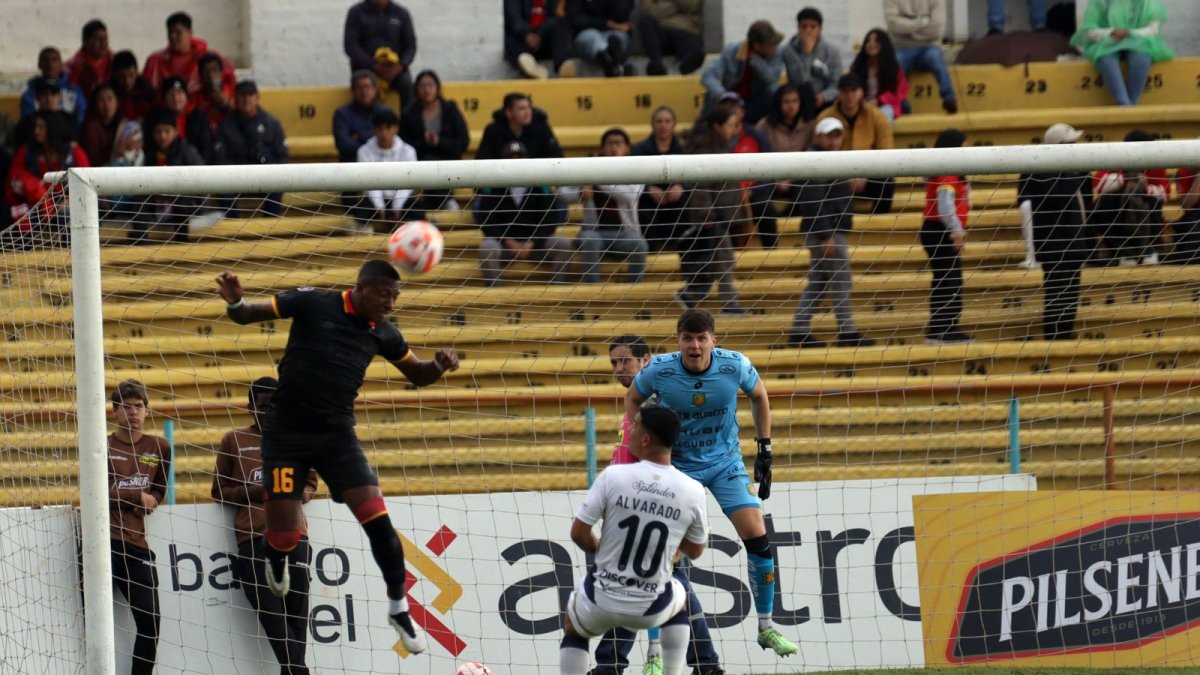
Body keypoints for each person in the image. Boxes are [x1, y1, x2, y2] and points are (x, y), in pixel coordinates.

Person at [215, 260, 462, 656]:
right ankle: (275, 558)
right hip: (285, 438)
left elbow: (417, 374)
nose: (391, 303)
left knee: (379, 522)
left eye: (397, 297)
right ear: (362, 288)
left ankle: (399, 607)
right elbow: (247, 315)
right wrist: (235, 301)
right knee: (283, 532)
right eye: (385, 294)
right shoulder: (314, 303)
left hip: (336, 438)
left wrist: (438, 365)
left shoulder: (385, 333)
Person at [626, 310, 799, 658]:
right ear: (678, 341)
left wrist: (764, 448)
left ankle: (766, 627)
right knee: (664, 551)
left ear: (713, 341)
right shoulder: (660, 369)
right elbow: (632, 398)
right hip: (678, 465)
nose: (695, 345)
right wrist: (645, 440)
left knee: (758, 536)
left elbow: (759, 395)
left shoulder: (733, 365)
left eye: (701, 338)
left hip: (725, 463)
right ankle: (655, 652)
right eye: (688, 338)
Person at [590, 336, 724, 675]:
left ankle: (613, 666)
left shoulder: (656, 406)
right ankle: (705, 665)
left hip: (648, 507)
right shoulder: (636, 405)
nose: (619, 369)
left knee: (645, 585)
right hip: (630, 506)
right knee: (653, 586)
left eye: (625, 361)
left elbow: (668, 459)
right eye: (614, 363)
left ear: (645, 361)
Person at [560, 404, 708, 675]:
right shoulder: (692, 490)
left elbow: (578, 533)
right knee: (679, 602)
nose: (629, 430)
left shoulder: (614, 476)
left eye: (635, 425)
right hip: (652, 605)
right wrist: (672, 551)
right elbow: (696, 550)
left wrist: (600, 550)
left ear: (646, 439)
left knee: (573, 627)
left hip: (602, 598)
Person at [212, 377, 318, 675]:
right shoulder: (233, 440)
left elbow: (310, 483)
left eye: (274, 407)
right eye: (262, 407)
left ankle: (294, 670)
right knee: (271, 613)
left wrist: (299, 494)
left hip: (295, 535)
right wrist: (254, 492)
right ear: (250, 407)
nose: (269, 413)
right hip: (253, 537)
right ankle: (298, 670)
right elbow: (218, 491)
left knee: (297, 612)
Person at [785, 117, 874, 349]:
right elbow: (812, 200)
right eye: (829, 136)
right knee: (840, 280)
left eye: (837, 135)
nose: (834, 140)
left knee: (820, 282)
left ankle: (799, 331)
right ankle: (847, 332)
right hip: (827, 231)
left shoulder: (828, 160)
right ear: (818, 137)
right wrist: (826, 234)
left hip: (826, 230)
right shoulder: (816, 161)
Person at [104, 379, 169, 675]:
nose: (133, 412)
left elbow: (159, 489)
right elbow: (96, 494)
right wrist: (134, 496)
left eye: (138, 407)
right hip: (102, 545)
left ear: (146, 411)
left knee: (151, 620)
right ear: (115, 411)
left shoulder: (159, 447)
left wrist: (152, 499)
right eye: (126, 407)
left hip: (136, 545)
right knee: (92, 621)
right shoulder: (102, 445)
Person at [1019, 123, 1093, 339]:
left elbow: (1086, 202)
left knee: (1071, 293)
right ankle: (1055, 335)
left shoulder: (1076, 171)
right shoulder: (1040, 169)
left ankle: (1066, 333)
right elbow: (1059, 195)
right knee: (1057, 293)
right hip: (1054, 243)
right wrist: (1075, 172)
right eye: (1071, 144)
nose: (1076, 148)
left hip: (1074, 241)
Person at [474, 141, 574, 286]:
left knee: (563, 243)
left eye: (519, 158)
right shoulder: (493, 188)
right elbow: (487, 222)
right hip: (504, 246)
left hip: (537, 246)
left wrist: (532, 243)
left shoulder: (541, 187)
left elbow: (550, 222)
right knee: (487, 248)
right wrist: (508, 242)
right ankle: (494, 294)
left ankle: (559, 293)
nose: (516, 162)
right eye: (511, 158)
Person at [677, 107, 744, 314]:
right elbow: (701, 187)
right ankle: (730, 305)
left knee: (716, 262)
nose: (734, 130)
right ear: (717, 126)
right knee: (725, 261)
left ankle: (690, 294)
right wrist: (707, 215)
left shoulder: (719, 146)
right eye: (730, 125)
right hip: (713, 217)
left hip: (720, 216)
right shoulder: (706, 149)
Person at [571, 128, 648, 284]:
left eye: (618, 143)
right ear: (602, 148)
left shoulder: (636, 170)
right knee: (589, 240)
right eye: (610, 143)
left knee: (640, 244)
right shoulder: (588, 170)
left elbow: (630, 195)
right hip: (594, 232)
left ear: (627, 147)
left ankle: (633, 290)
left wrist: (598, 179)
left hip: (623, 234)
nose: (614, 147)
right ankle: (591, 290)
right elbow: (561, 194)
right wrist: (580, 193)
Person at [5, 111, 88, 248]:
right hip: (36, 208)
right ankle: (27, 260)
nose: (36, 131)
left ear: (53, 129)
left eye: (41, 127)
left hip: (66, 209)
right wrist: (40, 196)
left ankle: (70, 258)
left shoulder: (75, 154)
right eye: (35, 127)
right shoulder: (27, 152)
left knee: (70, 213)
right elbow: (13, 181)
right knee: (20, 214)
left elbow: (88, 185)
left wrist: (73, 199)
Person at [815, 74, 896, 214]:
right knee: (816, 185)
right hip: (835, 175)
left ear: (861, 92)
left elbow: (886, 151)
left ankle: (880, 224)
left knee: (887, 182)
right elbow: (817, 151)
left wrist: (863, 173)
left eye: (853, 90)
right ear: (839, 92)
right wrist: (845, 175)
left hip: (867, 175)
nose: (849, 95)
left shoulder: (877, 116)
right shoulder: (825, 116)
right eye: (845, 91)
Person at [921, 128, 973, 344]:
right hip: (939, 231)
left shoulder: (948, 171)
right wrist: (956, 229)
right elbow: (944, 206)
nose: (967, 149)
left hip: (937, 230)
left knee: (948, 279)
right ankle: (942, 329)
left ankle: (944, 326)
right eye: (963, 145)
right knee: (948, 280)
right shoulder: (947, 173)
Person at [1070, 0, 1172, 107]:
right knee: (1105, 59)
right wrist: (1111, 32)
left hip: (1138, 41)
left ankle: (1131, 104)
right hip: (1107, 41)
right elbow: (1090, 30)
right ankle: (1124, 103)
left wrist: (1130, 33)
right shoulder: (1099, 2)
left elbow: (1153, 30)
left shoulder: (1148, 3)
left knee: (1141, 59)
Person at [1092, 129, 1169, 266]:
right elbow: (1099, 184)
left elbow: (1165, 194)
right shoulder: (1115, 159)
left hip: (1145, 216)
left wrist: (1144, 188)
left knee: (1152, 201)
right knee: (1106, 201)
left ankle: (1148, 250)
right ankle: (1121, 250)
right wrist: (1127, 180)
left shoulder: (1155, 163)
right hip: (1118, 214)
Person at [213, 80, 289, 217]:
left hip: (264, 177)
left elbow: (283, 156)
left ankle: (269, 229)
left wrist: (267, 161)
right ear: (235, 98)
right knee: (222, 187)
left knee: (278, 184)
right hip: (235, 178)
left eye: (250, 94)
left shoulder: (271, 123)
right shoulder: (226, 125)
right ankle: (233, 231)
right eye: (242, 95)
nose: (246, 99)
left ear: (257, 98)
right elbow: (219, 158)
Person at [400, 69, 470, 212]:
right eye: (422, 86)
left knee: (436, 165)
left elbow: (463, 141)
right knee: (429, 163)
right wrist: (424, 142)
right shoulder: (409, 113)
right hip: (421, 159)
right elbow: (404, 145)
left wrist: (439, 141)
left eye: (430, 85)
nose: (427, 90)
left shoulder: (450, 109)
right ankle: (447, 200)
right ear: (416, 89)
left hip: (449, 158)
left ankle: (441, 204)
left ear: (437, 87)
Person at [132, 110, 205, 245]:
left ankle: (181, 244)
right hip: (158, 203)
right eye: (158, 132)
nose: (162, 136)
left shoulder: (187, 151)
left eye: (167, 131)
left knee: (183, 200)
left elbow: (202, 181)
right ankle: (141, 245)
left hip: (183, 205)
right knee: (138, 200)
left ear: (176, 132)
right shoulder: (150, 153)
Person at [700, 20, 785, 125]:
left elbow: (772, 78)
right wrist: (725, 96)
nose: (774, 47)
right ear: (757, 45)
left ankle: (770, 128)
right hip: (730, 105)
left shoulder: (776, 53)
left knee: (774, 90)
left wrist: (754, 59)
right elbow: (708, 76)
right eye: (770, 45)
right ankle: (706, 127)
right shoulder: (731, 51)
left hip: (754, 103)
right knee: (712, 95)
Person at [630, 106, 689, 253]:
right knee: (643, 208)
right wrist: (647, 188)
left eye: (667, 121)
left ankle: (683, 251)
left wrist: (681, 186)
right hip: (649, 200)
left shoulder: (685, 148)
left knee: (688, 202)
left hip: (676, 199)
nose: (663, 125)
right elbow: (632, 176)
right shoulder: (639, 149)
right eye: (659, 121)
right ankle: (650, 252)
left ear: (674, 124)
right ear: (652, 124)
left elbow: (694, 174)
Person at [884, 0, 958, 114]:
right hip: (902, 48)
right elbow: (894, 26)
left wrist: (908, 29)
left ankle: (949, 98)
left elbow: (936, 30)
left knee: (934, 58)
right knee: (896, 63)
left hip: (929, 47)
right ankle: (901, 104)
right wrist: (922, 22)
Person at [143, 11, 237, 97]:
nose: (173, 36)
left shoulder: (209, 59)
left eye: (178, 32)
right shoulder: (155, 61)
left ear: (190, 33)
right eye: (170, 32)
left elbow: (228, 84)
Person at [344, 0, 418, 108]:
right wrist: (373, 66)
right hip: (365, 68)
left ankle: (408, 123)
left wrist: (400, 66)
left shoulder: (401, 13)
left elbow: (411, 46)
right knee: (365, 86)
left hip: (395, 69)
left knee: (406, 84)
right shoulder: (356, 12)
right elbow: (350, 46)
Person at [357, 108, 419, 230]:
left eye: (388, 128)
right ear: (374, 130)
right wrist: (380, 208)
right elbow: (369, 183)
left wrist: (397, 207)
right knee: (360, 211)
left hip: (401, 198)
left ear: (396, 128)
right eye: (380, 128)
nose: (384, 133)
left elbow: (408, 183)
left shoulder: (408, 151)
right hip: (374, 199)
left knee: (418, 211)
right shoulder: (364, 151)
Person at [780, 7, 842, 122]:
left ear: (820, 29)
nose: (808, 31)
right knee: (804, 92)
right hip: (799, 99)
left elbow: (836, 84)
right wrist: (807, 55)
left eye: (813, 27)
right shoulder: (788, 50)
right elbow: (801, 82)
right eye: (803, 26)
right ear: (798, 28)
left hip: (826, 98)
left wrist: (823, 96)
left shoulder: (832, 51)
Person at [476, 92, 564, 160]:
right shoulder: (493, 131)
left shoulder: (542, 128)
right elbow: (483, 159)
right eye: (522, 109)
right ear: (509, 113)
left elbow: (556, 157)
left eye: (529, 107)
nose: (528, 112)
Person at [146, 76, 214, 162]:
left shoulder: (199, 116)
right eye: (171, 93)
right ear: (164, 97)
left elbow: (206, 147)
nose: (175, 98)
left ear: (186, 96)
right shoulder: (155, 117)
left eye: (179, 93)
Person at [503, 0, 575, 79]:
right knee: (516, 45)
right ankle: (530, 66)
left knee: (560, 27)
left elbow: (557, 17)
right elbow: (514, 18)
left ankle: (563, 66)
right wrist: (527, 34)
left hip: (542, 38)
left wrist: (539, 35)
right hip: (522, 39)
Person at [850, 29, 908, 121]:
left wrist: (878, 101)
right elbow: (852, 88)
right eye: (868, 41)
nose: (871, 44)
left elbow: (898, 92)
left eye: (876, 41)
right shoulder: (858, 66)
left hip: (885, 105)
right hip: (862, 105)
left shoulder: (893, 68)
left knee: (883, 115)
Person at [567, 0, 636, 77]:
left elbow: (622, 16)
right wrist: (607, 23)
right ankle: (609, 57)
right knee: (593, 40)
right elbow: (577, 19)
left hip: (614, 32)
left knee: (620, 38)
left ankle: (612, 61)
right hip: (588, 31)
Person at [635, 0, 705, 76]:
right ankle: (657, 65)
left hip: (686, 28)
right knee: (645, 22)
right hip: (661, 29)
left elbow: (691, 6)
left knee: (693, 45)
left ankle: (687, 66)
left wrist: (661, 7)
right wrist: (677, 7)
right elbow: (648, 12)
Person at [20, 48, 87, 126]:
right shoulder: (30, 95)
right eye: (45, 60)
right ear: (39, 65)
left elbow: (80, 119)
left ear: (61, 64)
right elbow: (29, 122)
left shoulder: (75, 92)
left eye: (54, 60)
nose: (50, 64)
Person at [66, 19, 113, 96]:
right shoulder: (73, 67)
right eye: (98, 39)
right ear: (85, 41)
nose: (103, 43)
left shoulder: (114, 61)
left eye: (105, 38)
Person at [110, 50, 158, 123]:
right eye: (122, 77)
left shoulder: (149, 94)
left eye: (131, 75)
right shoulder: (108, 93)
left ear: (137, 72)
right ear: (114, 75)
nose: (127, 81)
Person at [80, 83, 122, 166]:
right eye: (101, 100)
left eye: (110, 99)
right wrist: (116, 152)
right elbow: (93, 159)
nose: (106, 105)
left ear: (117, 102)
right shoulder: (91, 126)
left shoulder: (122, 123)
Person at [193, 52, 235, 127]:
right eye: (206, 72)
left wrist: (225, 106)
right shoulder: (195, 98)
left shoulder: (233, 93)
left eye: (214, 71)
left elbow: (243, 120)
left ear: (221, 73)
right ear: (201, 76)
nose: (211, 76)